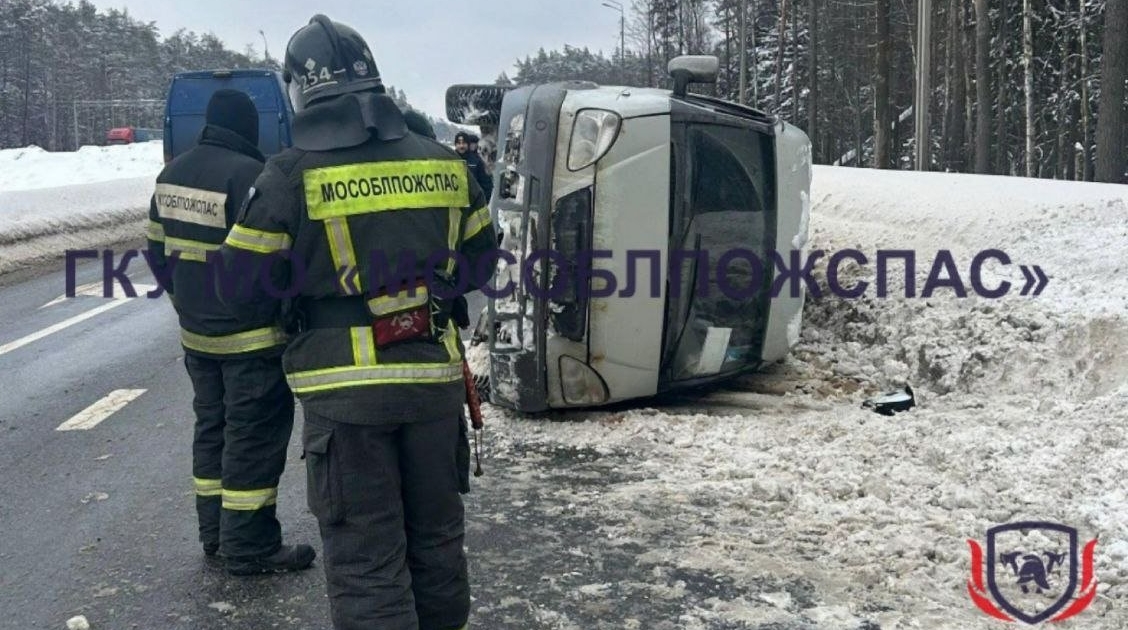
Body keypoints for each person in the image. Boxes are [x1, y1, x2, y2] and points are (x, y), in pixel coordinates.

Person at [219, 15, 495, 630]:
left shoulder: (288, 175)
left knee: (368, 564)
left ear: (300, 94)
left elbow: (237, 289)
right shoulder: (446, 168)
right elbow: (480, 265)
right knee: (438, 546)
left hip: (343, 401)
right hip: (431, 385)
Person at [146, 89, 316, 576]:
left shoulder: (170, 175)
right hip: (251, 339)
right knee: (253, 437)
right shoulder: (250, 178)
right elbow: (272, 263)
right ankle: (250, 545)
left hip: (197, 336)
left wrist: (186, 302)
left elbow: (157, 254)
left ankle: (215, 535)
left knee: (211, 429)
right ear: (248, 128)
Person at [454, 130, 493, 201]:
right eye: (459, 143)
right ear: (455, 145)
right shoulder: (450, 159)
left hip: (472, 203)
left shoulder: (477, 161)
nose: (461, 146)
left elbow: (486, 184)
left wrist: (483, 202)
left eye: (464, 143)